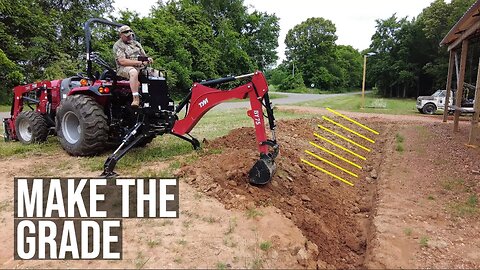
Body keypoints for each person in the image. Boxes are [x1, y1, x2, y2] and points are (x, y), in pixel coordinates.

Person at [113, 25, 157, 107]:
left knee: (158, 75)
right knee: (133, 72)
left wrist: (148, 60)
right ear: (121, 35)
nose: (129, 37)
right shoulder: (118, 45)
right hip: (124, 68)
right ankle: (135, 98)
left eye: (130, 35)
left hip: (140, 67)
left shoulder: (137, 44)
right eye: (127, 36)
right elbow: (122, 61)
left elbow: (144, 57)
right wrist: (138, 62)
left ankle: (157, 98)